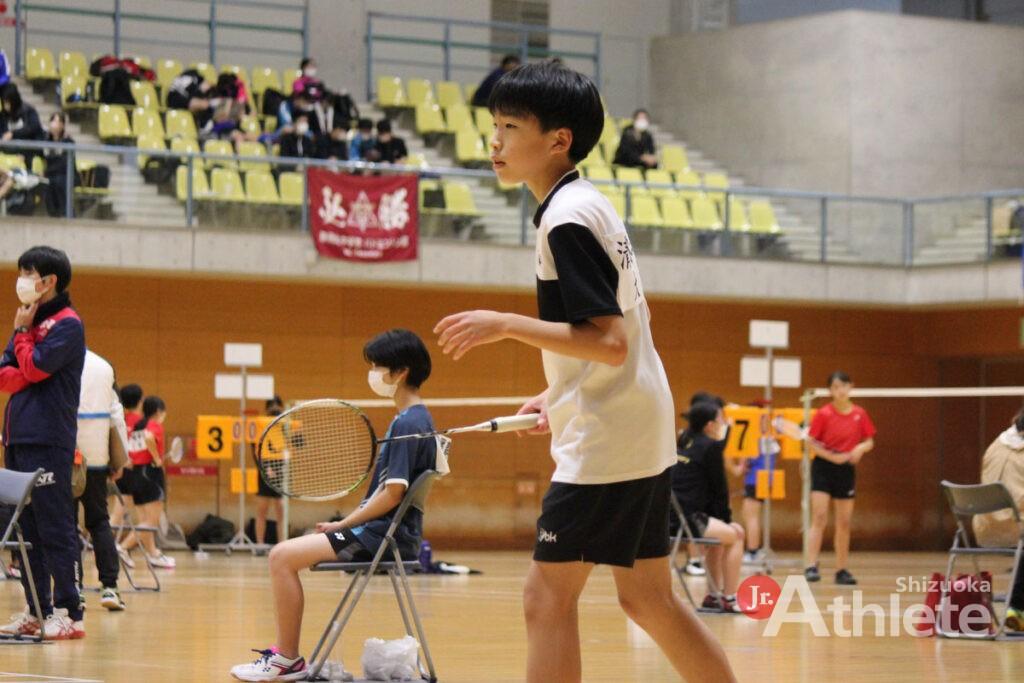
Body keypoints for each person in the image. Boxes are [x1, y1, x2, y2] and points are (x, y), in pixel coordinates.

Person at [433, 61, 736, 683]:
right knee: (648, 598)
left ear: (558, 139)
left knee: (546, 600)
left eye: (510, 125)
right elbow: (609, 336)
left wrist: (505, 323)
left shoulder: (567, 220)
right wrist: (557, 393)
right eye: (494, 124)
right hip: (634, 425)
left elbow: (611, 342)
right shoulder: (583, 203)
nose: (495, 140)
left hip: (610, 441)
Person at [230, 329, 438, 681]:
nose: (372, 373)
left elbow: (392, 494)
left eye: (377, 366)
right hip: (392, 534)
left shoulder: (408, 423)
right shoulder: (420, 420)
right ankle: (288, 657)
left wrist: (344, 525)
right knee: (283, 555)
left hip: (379, 537)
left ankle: (287, 659)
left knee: (280, 557)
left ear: (400, 372)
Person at [0, 246, 87, 640]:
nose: (21, 279)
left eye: (27, 272)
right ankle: (37, 610)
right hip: (18, 437)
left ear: (49, 281)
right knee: (24, 530)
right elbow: (6, 375)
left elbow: (33, 367)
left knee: (55, 527)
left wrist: (21, 340)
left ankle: (71, 612)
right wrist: (25, 355)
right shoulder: (28, 322)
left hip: (50, 438)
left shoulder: (68, 325)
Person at [671, 402, 747, 613]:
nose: (724, 423)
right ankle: (730, 598)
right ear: (710, 425)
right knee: (737, 535)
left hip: (667, 520)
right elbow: (719, 490)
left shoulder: (684, 441)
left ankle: (713, 597)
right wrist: (727, 519)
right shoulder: (710, 447)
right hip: (686, 521)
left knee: (719, 540)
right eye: (721, 420)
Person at [804, 370, 876, 585]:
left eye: (843, 386)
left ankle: (841, 569)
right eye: (835, 387)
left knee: (844, 522)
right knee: (819, 516)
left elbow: (869, 440)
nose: (840, 390)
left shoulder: (859, 414)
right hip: (823, 467)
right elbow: (810, 442)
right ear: (830, 391)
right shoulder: (824, 414)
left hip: (846, 469)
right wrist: (831, 457)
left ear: (850, 387)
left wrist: (860, 449)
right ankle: (810, 565)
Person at [75, 349, 129, 611]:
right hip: (96, 455)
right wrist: (119, 460)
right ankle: (110, 587)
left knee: (66, 524)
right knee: (99, 521)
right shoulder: (104, 367)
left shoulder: (54, 359)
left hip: (65, 455)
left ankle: (72, 589)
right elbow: (116, 416)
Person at [974, 408, 1024, 632]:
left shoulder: (995, 445)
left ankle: (1018, 608)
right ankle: (1017, 606)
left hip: (984, 527)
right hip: (1016, 527)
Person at [118, 395, 175, 569]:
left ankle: (153, 554)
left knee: (144, 519)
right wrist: (157, 458)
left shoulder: (137, 427)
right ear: (158, 412)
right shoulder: (153, 426)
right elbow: (150, 438)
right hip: (150, 474)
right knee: (152, 522)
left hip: (135, 474)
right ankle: (122, 547)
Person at [110, 382, 142, 547]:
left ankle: (109, 548)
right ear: (140, 401)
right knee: (123, 513)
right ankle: (109, 548)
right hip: (132, 471)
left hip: (119, 468)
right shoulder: (141, 422)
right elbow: (140, 449)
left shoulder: (120, 419)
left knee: (119, 511)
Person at [253, 396, 285, 546]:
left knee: (281, 512)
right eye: (272, 408)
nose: (275, 411)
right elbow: (255, 452)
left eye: (277, 408)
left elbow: (298, 444)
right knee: (262, 510)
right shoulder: (260, 427)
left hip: (282, 472)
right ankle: (260, 543)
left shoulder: (285, 426)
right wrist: (265, 469)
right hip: (265, 473)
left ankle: (282, 543)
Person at [42, 112, 76, 218]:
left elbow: (64, 163)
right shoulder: (45, 140)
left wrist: (47, 171)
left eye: (58, 121)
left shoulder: (68, 141)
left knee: (59, 181)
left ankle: (68, 214)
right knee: (47, 184)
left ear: (63, 125)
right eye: (53, 121)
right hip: (50, 175)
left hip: (65, 174)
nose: (55, 124)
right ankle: (54, 215)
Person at [0, 85, 44, 167]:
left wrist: (13, 134)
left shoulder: (28, 111)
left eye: (8, 102)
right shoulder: (3, 115)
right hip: (10, 151)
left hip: (29, 151)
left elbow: (33, 129)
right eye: (4, 102)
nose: (6, 106)